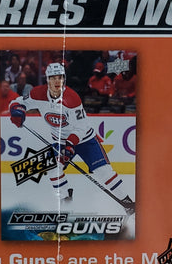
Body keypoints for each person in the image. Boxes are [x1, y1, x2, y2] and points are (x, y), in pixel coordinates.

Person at [9, 62, 134, 213]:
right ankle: (65, 202)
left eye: (60, 77)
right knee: (54, 168)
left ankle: (129, 205)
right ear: (47, 79)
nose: (57, 81)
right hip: (60, 141)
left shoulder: (72, 98)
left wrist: (70, 145)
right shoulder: (37, 94)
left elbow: (80, 127)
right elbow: (17, 102)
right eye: (53, 78)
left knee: (104, 172)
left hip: (85, 139)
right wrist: (17, 111)